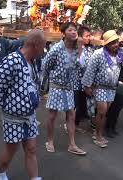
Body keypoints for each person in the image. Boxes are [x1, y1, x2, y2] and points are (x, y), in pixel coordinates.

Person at [0, 29, 45, 180]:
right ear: (35, 45)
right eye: (42, 46)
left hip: (29, 115)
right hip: (13, 117)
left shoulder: (33, 62)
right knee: (11, 149)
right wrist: (5, 105)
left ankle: (35, 178)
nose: (43, 50)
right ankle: (1, 174)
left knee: (31, 149)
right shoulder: (12, 60)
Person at [82, 30, 123, 148]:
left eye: (116, 42)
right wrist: (87, 86)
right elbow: (90, 70)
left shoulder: (120, 52)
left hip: (112, 88)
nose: (115, 45)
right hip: (100, 86)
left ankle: (97, 132)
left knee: (103, 113)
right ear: (106, 44)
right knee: (102, 111)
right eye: (112, 43)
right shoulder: (99, 53)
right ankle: (98, 136)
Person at [42, 22, 86, 155]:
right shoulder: (56, 49)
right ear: (63, 33)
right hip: (56, 86)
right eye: (70, 30)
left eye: (75, 30)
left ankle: (72, 144)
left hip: (69, 87)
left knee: (71, 115)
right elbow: (45, 66)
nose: (74, 32)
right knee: (52, 115)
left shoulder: (76, 49)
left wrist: (80, 49)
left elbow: (81, 66)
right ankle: (49, 141)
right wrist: (48, 81)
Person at [74, 26, 96, 132]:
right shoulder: (75, 48)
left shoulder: (92, 48)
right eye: (87, 36)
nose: (89, 38)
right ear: (80, 37)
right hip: (77, 82)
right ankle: (74, 125)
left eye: (90, 35)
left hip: (88, 83)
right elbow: (78, 63)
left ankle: (87, 122)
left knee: (86, 105)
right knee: (76, 105)